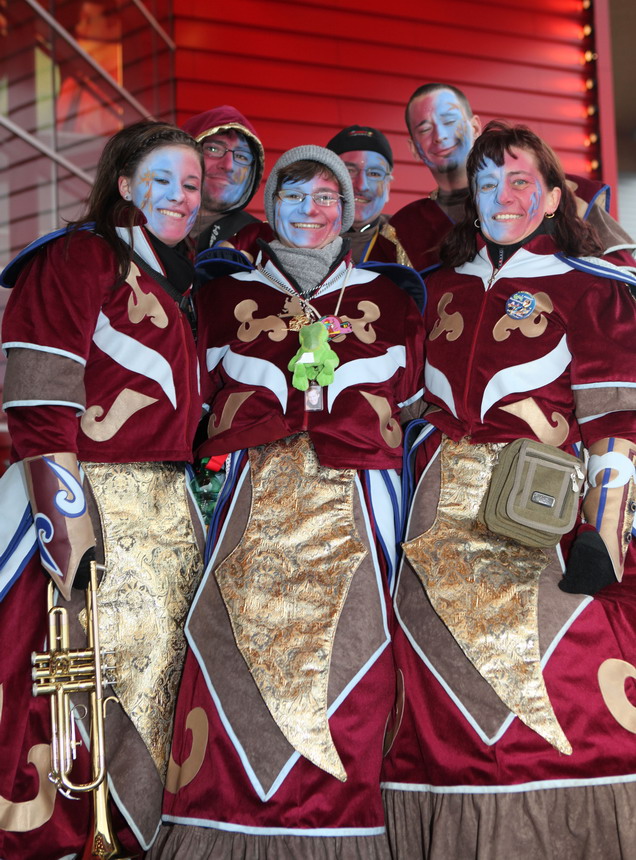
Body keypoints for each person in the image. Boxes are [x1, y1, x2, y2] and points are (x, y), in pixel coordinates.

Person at [149, 145, 425, 859]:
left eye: (326, 196)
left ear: (347, 209)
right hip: (249, 498)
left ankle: (344, 831)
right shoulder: (219, 295)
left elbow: (419, 406)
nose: (311, 209)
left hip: (361, 502)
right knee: (235, 653)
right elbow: (184, 400)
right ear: (271, 207)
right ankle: (234, 825)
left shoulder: (393, 297)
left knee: (354, 659)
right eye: (294, 195)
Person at [382, 121, 636, 859]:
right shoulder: (428, 289)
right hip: (430, 521)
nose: (501, 196)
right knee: (434, 703)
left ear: (553, 197)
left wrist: (604, 536)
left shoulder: (598, 289)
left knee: (557, 690)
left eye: (520, 181)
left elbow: (616, 423)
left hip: (538, 521)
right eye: (487, 183)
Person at [0, 120, 206, 859]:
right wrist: (67, 526)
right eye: (162, 180)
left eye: (191, 184)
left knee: (152, 692)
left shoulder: (177, 278)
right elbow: (37, 396)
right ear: (123, 183)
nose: (180, 196)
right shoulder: (78, 256)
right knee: (63, 691)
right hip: (85, 506)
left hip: (164, 518)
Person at [391, 82, 635, 271]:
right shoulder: (406, 228)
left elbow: (624, 282)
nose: (440, 135)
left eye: (449, 120)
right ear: (413, 148)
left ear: (475, 127)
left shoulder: (566, 192)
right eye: (425, 129)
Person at [182, 105, 265, 252]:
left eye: (241, 156)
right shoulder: (144, 228)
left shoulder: (259, 243)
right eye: (213, 149)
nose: (228, 165)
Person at [326, 124, 411, 265]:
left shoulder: (410, 242)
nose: (362, 185)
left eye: (374, 174)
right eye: (349, 171)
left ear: (387, 187)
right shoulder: (300, 236)